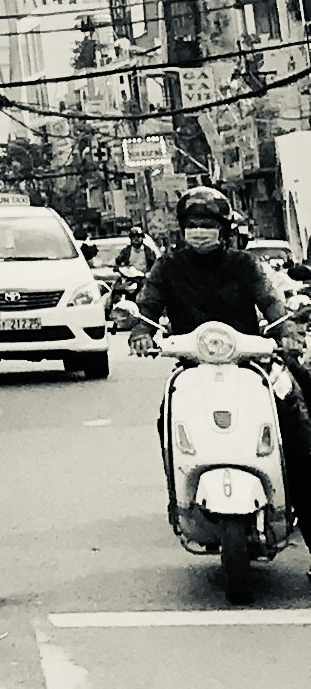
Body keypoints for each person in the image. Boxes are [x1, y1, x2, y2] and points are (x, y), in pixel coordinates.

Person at [133, 189, 311, 514]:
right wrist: (141, 332)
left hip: (250, 364)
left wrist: (287, 332)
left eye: (207, 224)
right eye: (192, 224)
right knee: (166, 420)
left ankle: (302, 500)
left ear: (223, 229)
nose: (198, 231)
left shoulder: (244, 264)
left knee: (293, 409)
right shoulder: (167, 267)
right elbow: (149, 305)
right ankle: (179, 500)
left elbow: (270, 301)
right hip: (192, 367)